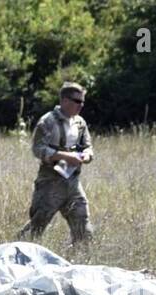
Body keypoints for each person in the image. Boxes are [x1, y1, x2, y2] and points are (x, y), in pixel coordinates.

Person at [18, 82, 94, 245]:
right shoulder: (47, 121)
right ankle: (15, 252)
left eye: (82, 102)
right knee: (36, 228)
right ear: (64, 100)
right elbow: (38, 149)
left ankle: (78, 261)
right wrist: (65, 156)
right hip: (49, 183)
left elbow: (88, 146)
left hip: (73, 183)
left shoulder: (80, 123)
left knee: (84, 228)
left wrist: (86, 156)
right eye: (77, 101)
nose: (81, 106)